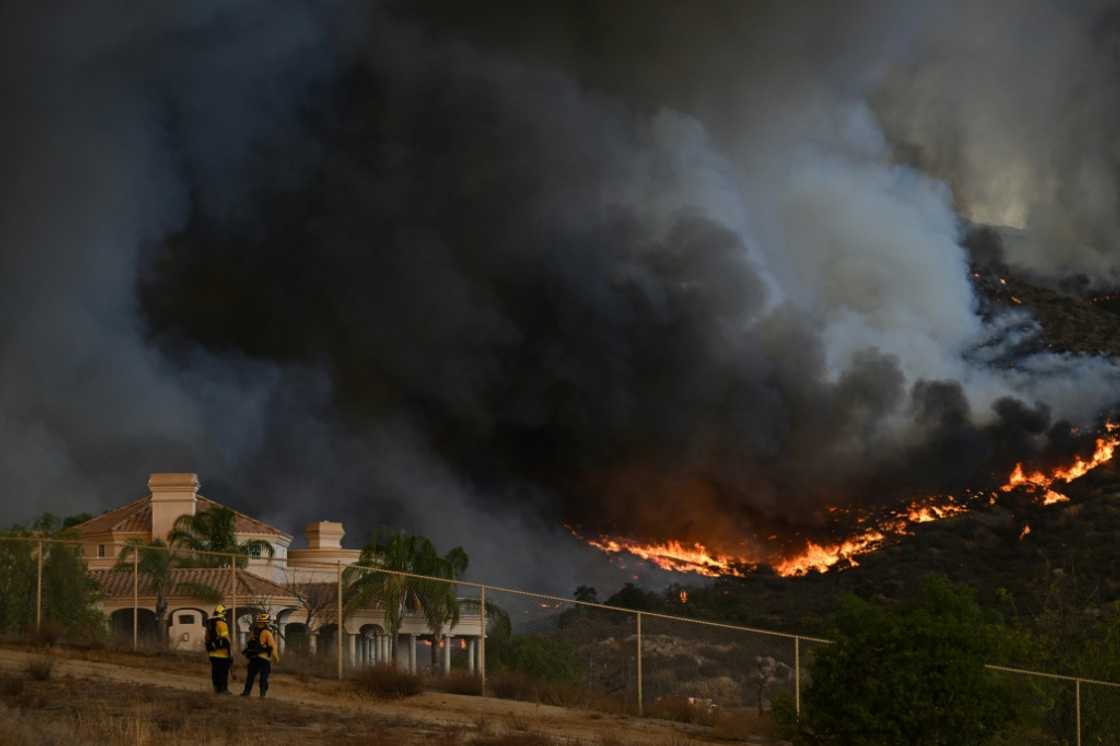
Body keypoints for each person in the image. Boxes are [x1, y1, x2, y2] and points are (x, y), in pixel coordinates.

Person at [241, 611, 279, 697]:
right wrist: (276, 658)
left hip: (254, 658)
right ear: (267, 622)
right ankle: (262, 695)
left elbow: (250, 643)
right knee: (264, 677)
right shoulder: (267, 633)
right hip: (264, 659)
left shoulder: (255, 632)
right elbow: (272, 646)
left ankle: (246, 692)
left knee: (250, 676)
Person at [204, 604, 232, 694]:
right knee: (223, 672)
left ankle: (216, 689)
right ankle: (223, 689)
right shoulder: (222, 623)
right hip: (222, 654)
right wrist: (230, 651)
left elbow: (206, 638)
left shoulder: (210, 623)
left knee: (215, 672)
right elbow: (226, 638)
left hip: (212, 653)